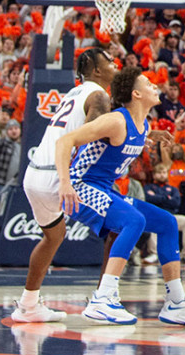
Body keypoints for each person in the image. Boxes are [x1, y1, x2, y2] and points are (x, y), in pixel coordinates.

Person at [54, 67, 185, 327]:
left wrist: (151, 134)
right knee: (133, 221)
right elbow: (65, 142)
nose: (155, 85)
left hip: (104, 189)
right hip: (80, 186)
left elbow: (131, 134)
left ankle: (175, 302)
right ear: (136, 93)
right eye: (148, 83)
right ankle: (102, 298)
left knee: (167, 223)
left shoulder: (143, 124)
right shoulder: (116, 120)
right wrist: (64, 183)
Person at [10, 47, 115, 323]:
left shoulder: (74, 92)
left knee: (54, 236)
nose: (115, 64)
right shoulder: (98, 96)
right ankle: (103, 301)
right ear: (96, 70)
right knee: (121, 225)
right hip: (60, 178)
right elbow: (92, 137)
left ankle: (28, 304)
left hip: (34, 176)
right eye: (110, 61)